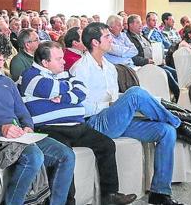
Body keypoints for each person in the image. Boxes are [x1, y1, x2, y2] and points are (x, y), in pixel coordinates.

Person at [70, 23, 191, 205]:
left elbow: (114, 97)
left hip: (115, 119)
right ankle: (182, 122)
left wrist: (118, 104)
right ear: (95, 42)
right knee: (135, 92)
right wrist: (111, 105)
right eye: (107, 37)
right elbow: (80, 107)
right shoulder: (80, 69)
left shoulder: (110, 67)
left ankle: (160, 193)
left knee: (166, 131)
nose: (111, 39)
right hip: (95, 123)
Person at [0, 33, 75, 205]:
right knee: (33, 156)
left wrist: (28, 126)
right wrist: (1, 129)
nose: (0, 65)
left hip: (17, 135)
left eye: (3, 60)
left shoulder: (6, 81)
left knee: (66, 154)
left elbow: (24, 114)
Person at [19, 41, 137, 205]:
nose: (64, 62)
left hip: (77, 126)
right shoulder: (29, 76)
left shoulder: (64, 73)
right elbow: (48, 88)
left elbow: (82, 89)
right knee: (64, 156)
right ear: (45, 63)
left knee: (107, 144)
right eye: (59, 59)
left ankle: (109, 195)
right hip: (50, 129)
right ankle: (68, 202)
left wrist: (65, 97)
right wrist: (69, 88)